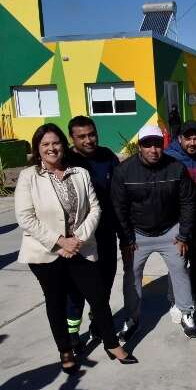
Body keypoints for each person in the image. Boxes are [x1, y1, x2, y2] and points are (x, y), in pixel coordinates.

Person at [15, 124, 136, 374]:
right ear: (38, 149)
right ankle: (66, 350)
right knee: (56, 302)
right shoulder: (29, 177)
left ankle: (112, 344)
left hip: (80, 247)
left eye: (55, 142)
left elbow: (95, 208)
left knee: (99, 298)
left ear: (63, 144)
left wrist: (77, 239)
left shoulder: (79, 172)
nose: (52, 148)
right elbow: (26, 217)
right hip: (46, 252)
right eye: (45, 144)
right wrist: (60, 241)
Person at [111, 125, 196, 340]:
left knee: (180, 269)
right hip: (137, 235)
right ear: (139, 146)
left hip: (170, 231)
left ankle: (187, 312)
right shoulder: (123, 171)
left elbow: (188, 202)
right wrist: (126, 239)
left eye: (157, 144)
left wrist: (183, 235)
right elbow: (118, 207)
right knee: (132, 276)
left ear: (164, 145)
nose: (153, 149)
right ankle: (132, 318)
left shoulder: (176, 168)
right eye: (147, 144)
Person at [64, 116, 124, 347]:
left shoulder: (107, 156)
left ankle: (97, 322)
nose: (89, 140)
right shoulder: (66, 160)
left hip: (106, 234)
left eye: (92, 134)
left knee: (104, 285)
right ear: (72, 138)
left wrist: (123, 233)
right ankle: (72, 334)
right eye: (82, 136)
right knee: (76, 290)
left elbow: (119, 195)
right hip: (78, 239)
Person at [164, 120, 196, 323]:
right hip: (177, 221)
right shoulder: (169, 157)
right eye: (188, 138)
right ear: (180, 138)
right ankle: (175, 301)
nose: (192, 143)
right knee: (178, 263)